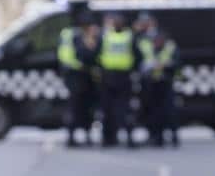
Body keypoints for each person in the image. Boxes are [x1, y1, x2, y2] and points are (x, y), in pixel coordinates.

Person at [97, 13, 139, 147]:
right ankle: (109, 137)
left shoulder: (125, 36)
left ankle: (126, 137)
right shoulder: (108, 36)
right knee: (109, 109)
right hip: (111, 76)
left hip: (120, 76)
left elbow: (138, 55)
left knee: (123, 109)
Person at [58, 12, 99, 147]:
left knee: (86, 108)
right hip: (76, 77)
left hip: (85, 78)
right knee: (75, 108)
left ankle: (85, 135)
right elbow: (81, 55)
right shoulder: (75, 36)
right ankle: (72, 136)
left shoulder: (86, 35)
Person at [140, 30, 180, 147]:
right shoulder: (149, 49)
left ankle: (174, 136)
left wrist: (167, 65)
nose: (156, 43)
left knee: (170, 112)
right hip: (152, 85)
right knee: (155, 113)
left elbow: (177, 63)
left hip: (166, 83)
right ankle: (158, 137)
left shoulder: (170, 48)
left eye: (158, 41)